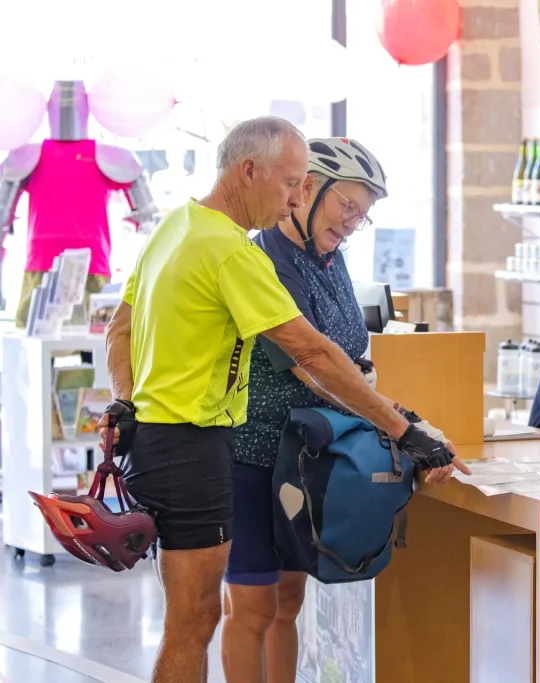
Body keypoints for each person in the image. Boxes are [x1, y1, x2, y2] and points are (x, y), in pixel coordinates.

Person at [100, 117, 468, 683]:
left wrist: (128, 401)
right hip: (203, 448)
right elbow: (313, 356)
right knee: (197, 623)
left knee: (202, 620)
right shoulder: (235, 251)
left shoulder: (176, 227)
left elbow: (119, 329)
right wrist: (404, 430)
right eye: (291, 183)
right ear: (250, 172)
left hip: (184, 443)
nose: (294, 196)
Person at [220, 137, 420, 683]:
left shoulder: (331, 261)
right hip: (253, 456)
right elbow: (310, 361)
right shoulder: (264, 261)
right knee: (253, 608)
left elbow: (349, 355)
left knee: (288, 602)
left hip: (306, 457)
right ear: (307, 188)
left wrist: (377, 393)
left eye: (363, 215)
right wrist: (395, 420)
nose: (353, 223)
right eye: (347, 207)